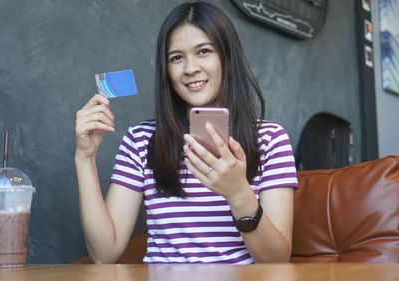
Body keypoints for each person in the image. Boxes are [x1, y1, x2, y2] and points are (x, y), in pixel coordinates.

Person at [75, 1, 298, 264]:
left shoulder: (270, 139)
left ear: (227, 57)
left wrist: (239, 193)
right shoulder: (140, 139)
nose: (190, 68)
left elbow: (276, 261)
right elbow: (104, 254)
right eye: (176, 57)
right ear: (166, 70)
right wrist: (85, 158)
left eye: (203, 51)